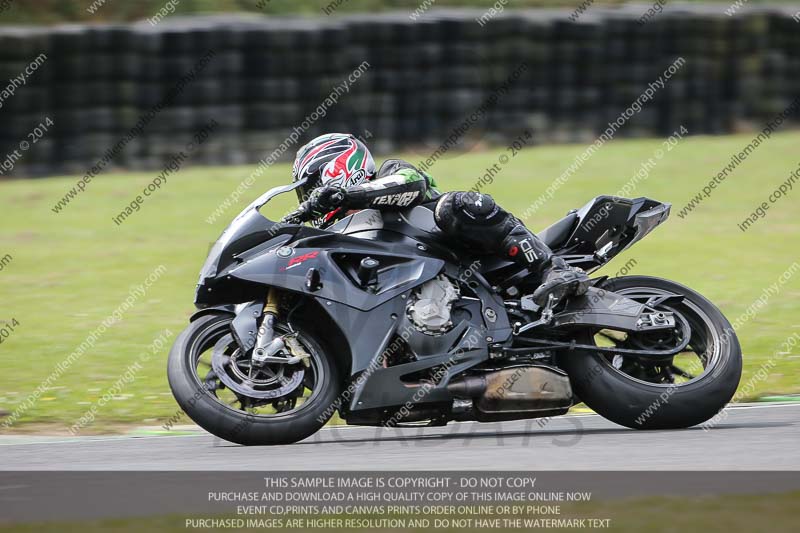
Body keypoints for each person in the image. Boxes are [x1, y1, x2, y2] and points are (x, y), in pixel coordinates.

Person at [290, 133, 589, 307]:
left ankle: (553, 269)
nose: (311, 198)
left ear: (338, 170)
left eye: (312, 188)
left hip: (473, 257)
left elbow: (410, 182)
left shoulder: (391, 172)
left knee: (455, 206)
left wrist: (346, 195)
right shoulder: (349, 234)